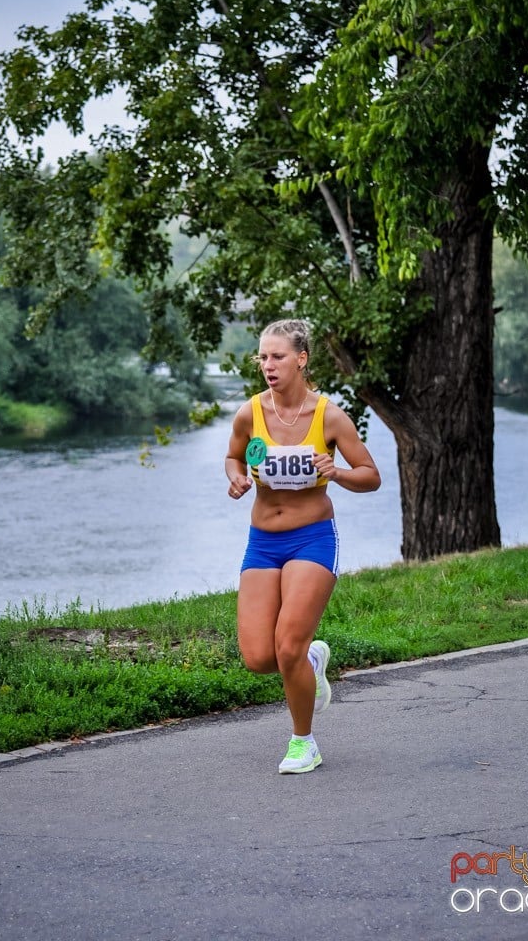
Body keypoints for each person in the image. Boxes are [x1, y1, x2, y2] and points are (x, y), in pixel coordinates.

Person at [225, 318, 381, 774]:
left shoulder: (328, 415)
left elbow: (370, 475)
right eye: (262, 357)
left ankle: (303, 741)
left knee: (287, 644)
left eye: (277, 357)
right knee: (258, 657)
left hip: (312, 538)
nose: (267, 365)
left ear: (301, 359)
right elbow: (234, 455)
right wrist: (236, 478)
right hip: (262, 543)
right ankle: (315, 658)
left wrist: (335, 472)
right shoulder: (250, 413)